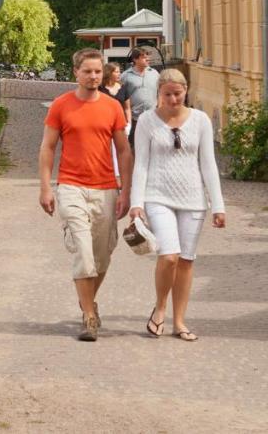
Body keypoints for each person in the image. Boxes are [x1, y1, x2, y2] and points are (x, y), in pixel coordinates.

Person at [38, 48, 133, 341]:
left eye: (97, 71)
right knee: (83, 250)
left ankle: (87, 300)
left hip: (105, 187)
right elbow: (48, 148)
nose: (93, 76)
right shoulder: (61, 105)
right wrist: (45, 187)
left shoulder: (112, 107)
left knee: (102, 257)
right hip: (71, 186)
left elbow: (124, 150)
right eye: (87, 71)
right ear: (76, 73)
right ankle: (89, 316)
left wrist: (126, 191)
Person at [129, 69, 225, 341]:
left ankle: (179, 321)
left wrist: (218, 205)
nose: (173, 99)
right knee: (169, 255)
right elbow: (142, 165)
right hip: (158, 196)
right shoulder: (147, 121)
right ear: (159, 93)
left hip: (193, 200)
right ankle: (160, 308)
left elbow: (208, 164)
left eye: (178, 94)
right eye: (167, 94)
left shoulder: (201, 120)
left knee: (185, 260)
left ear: (186, 91)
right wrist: (137, 203)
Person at [120, 47, 160, 148]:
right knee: (134, 146)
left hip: (152, 117)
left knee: (153, 145)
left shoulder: (154, 73)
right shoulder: (126, 76)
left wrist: (160, 107)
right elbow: (120, 96)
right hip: (134, 119)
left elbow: (161, 92)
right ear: (135, 59)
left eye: (148, 57)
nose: (147, 59)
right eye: (143, 57)